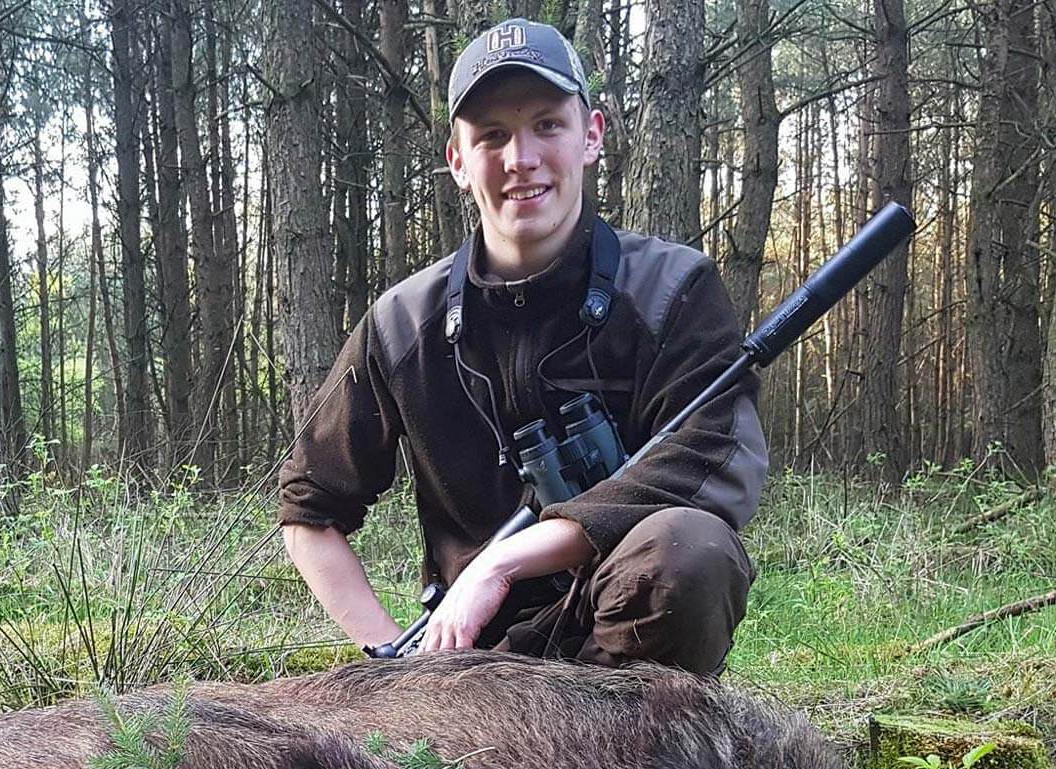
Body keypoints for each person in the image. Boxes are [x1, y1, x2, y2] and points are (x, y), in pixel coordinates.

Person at [277, 18, 767, 674]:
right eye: (492, 136)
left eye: (547, 125)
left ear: (591, 135)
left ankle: (634, 751)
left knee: (692, 550)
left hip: (631, 651)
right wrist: (391, 660)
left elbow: (710, 460)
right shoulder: (401, 325)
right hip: (474, 667)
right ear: (458, 160)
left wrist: (505, 561)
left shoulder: (674, 290)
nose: (521, 159)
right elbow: (309, 507)